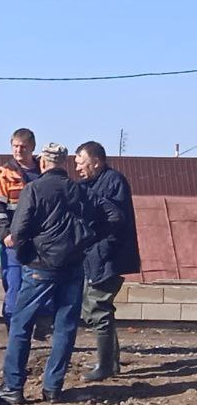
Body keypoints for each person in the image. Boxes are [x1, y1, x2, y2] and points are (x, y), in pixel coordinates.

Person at [0, 144, 120, 404]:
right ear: (64, 163)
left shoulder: (34, 189)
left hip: (40, 267)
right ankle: (53, 388)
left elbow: (18, 231)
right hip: (73, 268)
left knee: (21, 325)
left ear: (43, 164)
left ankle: (13, 387)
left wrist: (28, 252)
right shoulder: (79, 191)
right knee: (65, 328)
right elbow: (113, 215)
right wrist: (88, 238)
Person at [74, 140, 140, 381]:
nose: (78, 168)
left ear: (96, 161)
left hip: (108, 258)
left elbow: (114, 220)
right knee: (96, 309)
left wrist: (99, 249)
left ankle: (105, 366)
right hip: (97, 257)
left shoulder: (113, 182)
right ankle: (109, 361)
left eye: (82, 163)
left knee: (97, 308)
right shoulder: (91, 183)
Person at [0, 128, 42, 328]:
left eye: (23, 147)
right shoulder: (3, 174)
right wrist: (5, 234)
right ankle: (13, 327)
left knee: (38, 283)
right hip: (14, 240)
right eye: (15, 146)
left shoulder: (43, 171)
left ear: (32, 147)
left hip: (40, 241)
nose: (18, 150)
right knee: (14, 283)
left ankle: (34, 325)